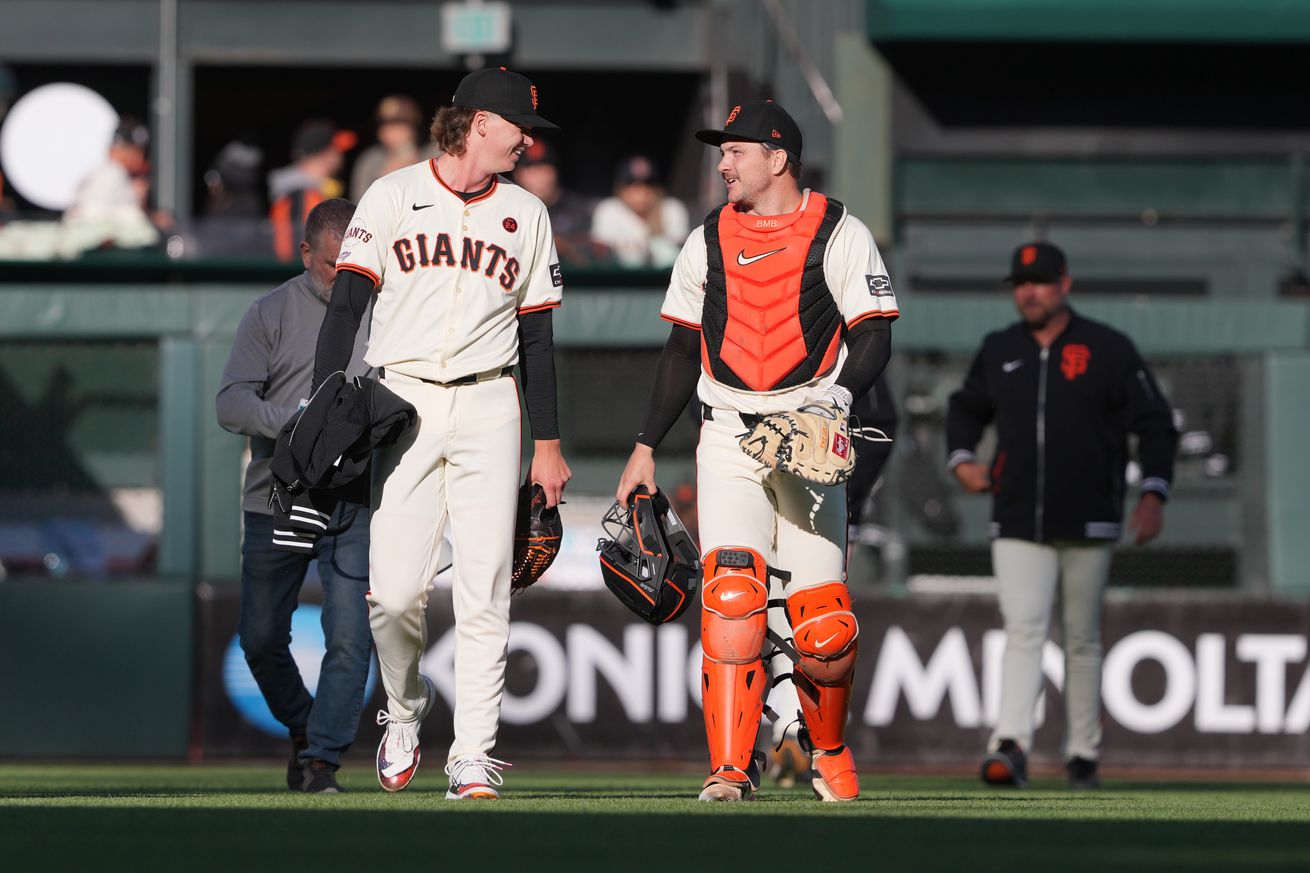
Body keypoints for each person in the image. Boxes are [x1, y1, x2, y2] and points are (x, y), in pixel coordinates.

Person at [614, 100, 898, 803]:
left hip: (807, 434)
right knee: (733, 594)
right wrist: (644, 447)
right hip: (728, 434)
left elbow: (874, 335)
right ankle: (732, 768)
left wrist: (835, 398)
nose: (722, 162)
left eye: (735, 150)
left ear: (778, 157)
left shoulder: (840, 230)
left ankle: (825, 746)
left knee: (825, 627)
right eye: (721, 150)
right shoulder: (706, 236)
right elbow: (681, 347)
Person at [313, 66, 571, 800]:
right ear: (482, 122)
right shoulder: (393, 193)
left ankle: (472, 753)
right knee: (394, 595)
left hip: (492, 403)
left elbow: (540, 340)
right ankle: (404, 710)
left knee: (487, 586)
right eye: (521, 128)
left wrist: (547, 442)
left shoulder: (527, 211)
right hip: (403, 398)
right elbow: (346, 305)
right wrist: (324, 402)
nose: (528, 141)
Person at [946, 240, 1178, 790]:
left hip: (1090, 516)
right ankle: (1010, 744)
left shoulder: (1108, 348)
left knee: (1081, 639)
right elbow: (964, 409)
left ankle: (1082, 755)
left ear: (1065, 283)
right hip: (1018, 514)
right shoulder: (1000, 347)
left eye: (1041, 281)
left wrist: (1154, 493)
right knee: (1023, 631)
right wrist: (961, 460)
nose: (1029, 291)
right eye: (1021, 283)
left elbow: (1156, 424)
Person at [215, 198, 374, 794]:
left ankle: (321, 763)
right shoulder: (271, 312)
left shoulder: (389, 309)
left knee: (352, 637)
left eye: (357, 262)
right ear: (307, 254)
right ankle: (306, 731)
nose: (347, 275)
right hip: (274, 500)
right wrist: (301, 422)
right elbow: (230, 404)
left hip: (355, 501)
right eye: (335, 264)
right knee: (258, 637)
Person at [61, 117, 159, 255]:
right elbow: (88, 218)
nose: (140, 157)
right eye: (136, 151)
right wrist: (139, 214)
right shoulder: (111, 173)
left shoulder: (115, 173)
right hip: (92, 256)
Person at [269, 119, 357, 261]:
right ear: (322, 154)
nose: (340, 156)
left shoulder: (316, 190)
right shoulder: (300, 195)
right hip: (301, 277)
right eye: (336, 150)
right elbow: (294, 253)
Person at [510, 139, 600, 265]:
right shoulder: (509, 209)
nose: (539, 176)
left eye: (544, 167)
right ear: (518, 174)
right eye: (531, 168)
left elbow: (594, 254)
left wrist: (564, 247)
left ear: (555, 171)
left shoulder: (579, 208)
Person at [590, 154, 689, 268]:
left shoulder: (672, 208)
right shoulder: (608, 209)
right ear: (620, 188)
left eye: (648, 183)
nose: (642, 191)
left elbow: (681, 251)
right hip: (620, 281)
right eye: (632, 184)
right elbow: (599, 253)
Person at [349, 95, 441, 201]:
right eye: (385, 126)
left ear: (414, 128)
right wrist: (385, 182)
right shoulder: (371, 160)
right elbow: (358, 207)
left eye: (398, 125)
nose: (390, 132)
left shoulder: (434, 155)